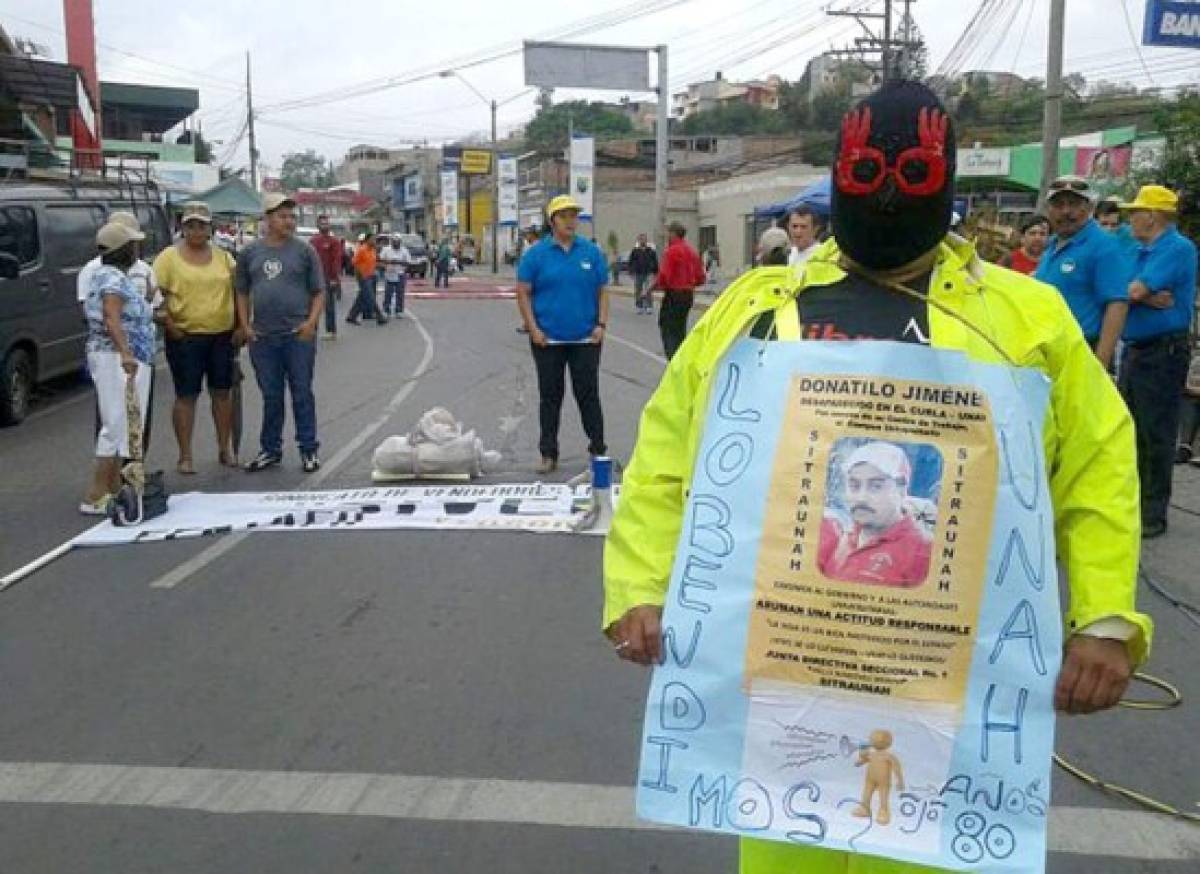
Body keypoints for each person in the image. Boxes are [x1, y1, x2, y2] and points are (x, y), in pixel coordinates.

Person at [603, 81, 1151, 874]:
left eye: (914, 175)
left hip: (946, 691)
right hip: (783, 681)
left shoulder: (1026, 319)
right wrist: (638, 586)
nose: (890, 194)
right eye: (867, 173)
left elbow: (1100, 465)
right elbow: (666, 453)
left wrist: (1105, 619)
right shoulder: (759, 310)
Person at [1117, 184, 1198, 539]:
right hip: (1139, 349)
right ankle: (1134, 505)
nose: (1131, 218)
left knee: (1155, 433)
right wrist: (1144, 296)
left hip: (1162, 352)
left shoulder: (1176, 248)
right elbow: (1123, 287)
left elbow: (1131, 291)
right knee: (1131, 430)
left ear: (1152, 215)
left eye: (1135, 211)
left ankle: (1152, 513)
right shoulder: (1141, 249)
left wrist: (1138, 294)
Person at [515, 195, 609, 474]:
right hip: (548, 340)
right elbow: (523, 291)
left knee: (588, 394)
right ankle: (548, 453)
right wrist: (533, 329)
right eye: (564, 215)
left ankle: (598, 449)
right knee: (550, 396)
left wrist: (601, 325)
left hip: (585, 339)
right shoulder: (536, 254)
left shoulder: (591, 252)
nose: (571, 220)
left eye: (574, 215)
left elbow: (603, 291)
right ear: (552, 220)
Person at [235, 193, 326, 473]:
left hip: (296, 336)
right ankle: (270, 449)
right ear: (268, 219)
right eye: (282, 216)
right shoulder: (250, 253)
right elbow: (241, 291)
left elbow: (318, 291)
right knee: (271, 396)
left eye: (291, 217)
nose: (289, 221)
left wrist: (310, 323)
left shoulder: (304, 251)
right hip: (263, 338)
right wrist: (246, 326)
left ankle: (308, 449)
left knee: (301, 393)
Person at [153, 201, 237, 473]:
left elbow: (239, 292)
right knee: (186, 396)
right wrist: (171, 325)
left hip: (221, 337)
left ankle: (225, 449)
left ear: (210, 228)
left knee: (223, 394)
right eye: (190, 225)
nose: (196, 230)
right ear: (182, 227)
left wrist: (240, 326)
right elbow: (155, 297)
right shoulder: (168, 258)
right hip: (185, 337)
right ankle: (185, 455)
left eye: (201, 225)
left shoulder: (224, 257)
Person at [80, 221, 158, 514]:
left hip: (127, 355)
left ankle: (114, 489)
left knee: (124, 421)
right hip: (116, 357)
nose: (137, 249)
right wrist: (126, 353)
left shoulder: (113, 276)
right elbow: (112, 318)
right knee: (114, 423)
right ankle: (95, 494)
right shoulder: (111, 278)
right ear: (121, 250)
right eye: (132, 245)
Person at [1034, 175, 1131, 372]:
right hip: (1048, 352)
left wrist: (1100, 364)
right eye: (1059, 204)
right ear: (1049, 210)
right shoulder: (1051, 246)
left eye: (1074, 204)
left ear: (1088, 208)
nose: (1066, 211)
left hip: (1084, 351)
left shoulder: (1103, 246)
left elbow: (1117, 305)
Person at [817, 442, 933, 587]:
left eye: (876, 486)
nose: (861, 497)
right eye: (854, 485)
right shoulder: (843, 535)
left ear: (902, 490)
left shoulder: (922, 551)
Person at [652, 222, 705, 360]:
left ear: (673, 233)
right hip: (688, 295)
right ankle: (682, 357)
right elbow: (701, 277)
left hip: (674, 294)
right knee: (680, 328)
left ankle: (673, 359)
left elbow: (664, 275)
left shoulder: (672, 251)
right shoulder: (692, 252)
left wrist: (656, 287)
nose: (667, 236)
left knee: (668, 327)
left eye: (669, 233)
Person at [309, 214, 344, 340]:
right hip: (314, 277)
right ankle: (312, 328)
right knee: (312, 305)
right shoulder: (313, 241)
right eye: (322, 223)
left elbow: (337, 260)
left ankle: (331, 331)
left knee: (329, 305)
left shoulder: (334, 241)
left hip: (328, 278)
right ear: (317, 225)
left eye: (326, 223)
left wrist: (335, 278)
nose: (325, 225)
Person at [347, 232, 386, 325]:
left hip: (371, 276)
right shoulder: (361, 250)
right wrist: (360, 275)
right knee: (370, 297)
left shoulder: (373, 250)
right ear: (367, 240)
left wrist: (381, 265)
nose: (374, 241)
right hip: (363, 276)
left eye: (375, 239)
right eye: (372, 239)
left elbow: (372, 262)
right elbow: (354, 263)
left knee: (362, 297)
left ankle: (351, 316)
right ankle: (379, 316)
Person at [380, 234, 411, 318]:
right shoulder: (386, 249)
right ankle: (386, 310)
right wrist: (389, 262)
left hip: (400, 274)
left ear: (400, 242)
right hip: (389, 273)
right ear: (391, 242)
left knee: (400, 293)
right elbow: (381, 260)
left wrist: (398, 262)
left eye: (397, 242)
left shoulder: (404, 250)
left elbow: (408, 262)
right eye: (394, 242)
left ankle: (399, 310)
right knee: (388, 293)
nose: (395, 243)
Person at [628, 233, 659, 314]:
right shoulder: (635, 251)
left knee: (648, 290)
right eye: (641, 239)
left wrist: (656, 271)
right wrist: (631, 271)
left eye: (644, 239)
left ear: (646, 240)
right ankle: (639, 306)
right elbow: (631, 261)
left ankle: (649, 306)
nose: (643, 240)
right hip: (638, 273)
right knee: (638, 290)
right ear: (639, 240)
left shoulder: (651, 250)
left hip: (648, 272)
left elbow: (655, 261)